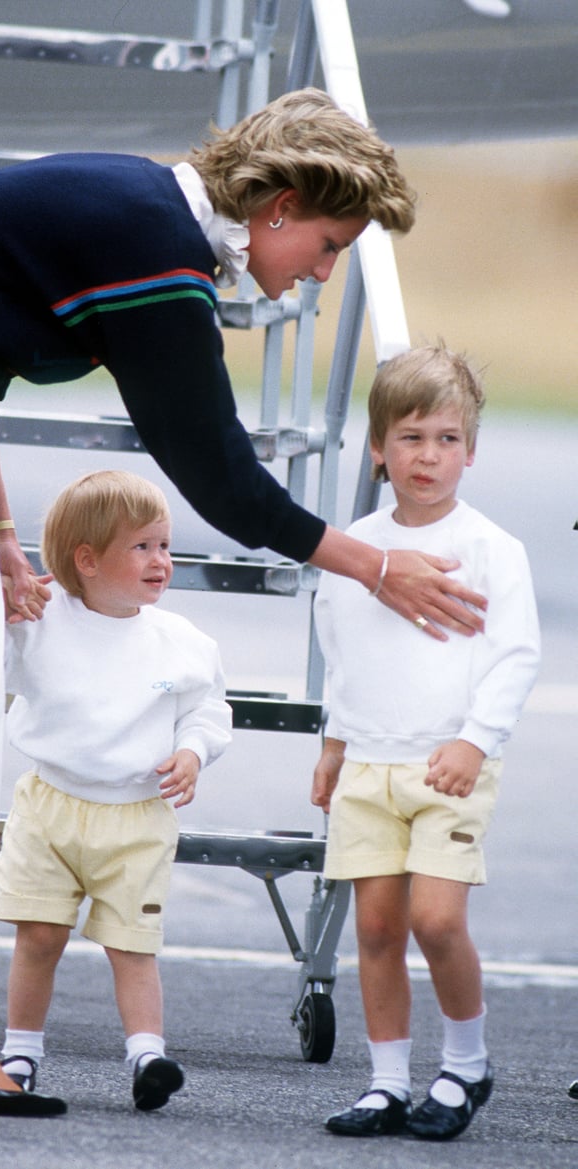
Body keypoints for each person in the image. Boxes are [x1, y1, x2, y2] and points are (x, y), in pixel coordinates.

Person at [0, 87, 488, 1113]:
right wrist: (374, 562)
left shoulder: (137, 211)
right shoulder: (159, 255)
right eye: (330, 245)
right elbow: (216, 469)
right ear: (279, 206)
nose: (323, 276)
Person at [311, 343, 540, 1141]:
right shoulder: (356, 548)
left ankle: (466, 1064)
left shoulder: (492, 548)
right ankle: (385, 1082)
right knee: (374, 927)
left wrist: (476, 741)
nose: (428, 455)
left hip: (450, 765)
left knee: (437, 921)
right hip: (370, 761)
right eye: (410, 437)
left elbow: (515, 655)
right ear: (378, 447)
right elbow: (342, 653)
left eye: (446, 438)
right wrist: (336, 742)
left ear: (470, 450)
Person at [0, 469, 231, 1111]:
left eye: (164, 545)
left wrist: (192, 750)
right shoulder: (37, 625)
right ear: (87, 561)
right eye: (142, 547)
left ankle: (147, 1054)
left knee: (132, 945)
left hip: (137, 815)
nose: (162, 561)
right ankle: (20, 1051)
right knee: (38, 936)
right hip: (50, 807)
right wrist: (2, 604)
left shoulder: (181, 642)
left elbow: (208, 710)